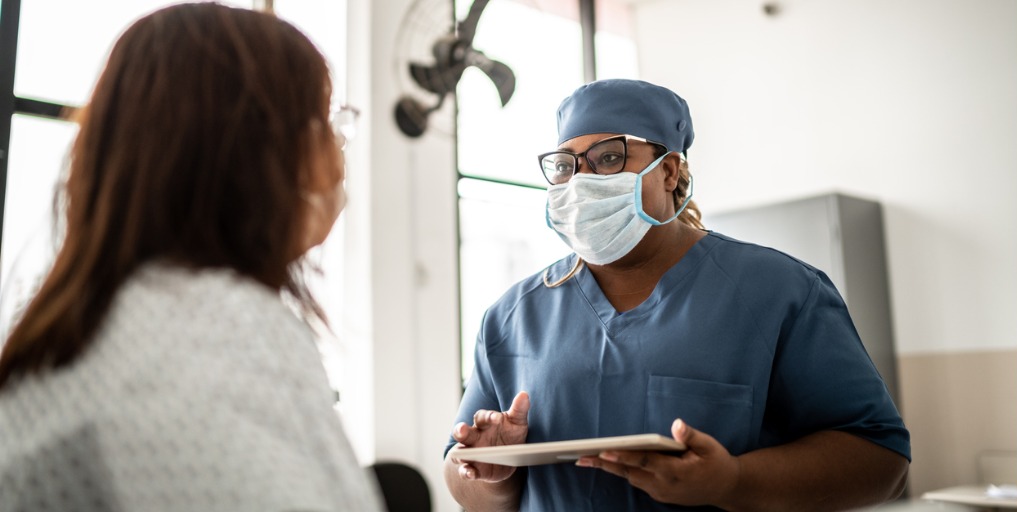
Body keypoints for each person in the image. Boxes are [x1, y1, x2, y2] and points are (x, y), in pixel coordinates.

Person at [443, 79, 910, 511]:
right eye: (566, 166)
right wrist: (492, 474)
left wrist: (733, 480)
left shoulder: (778, 291)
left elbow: (880, 459)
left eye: (609, 158)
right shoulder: (512, 316)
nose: (581, 182)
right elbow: (459, 473)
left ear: (668, 171)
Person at [0, 4, 382, 511]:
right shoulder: (220, 326)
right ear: (251, 154)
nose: (335, 150)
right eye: (322, 121)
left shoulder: (76, 327)